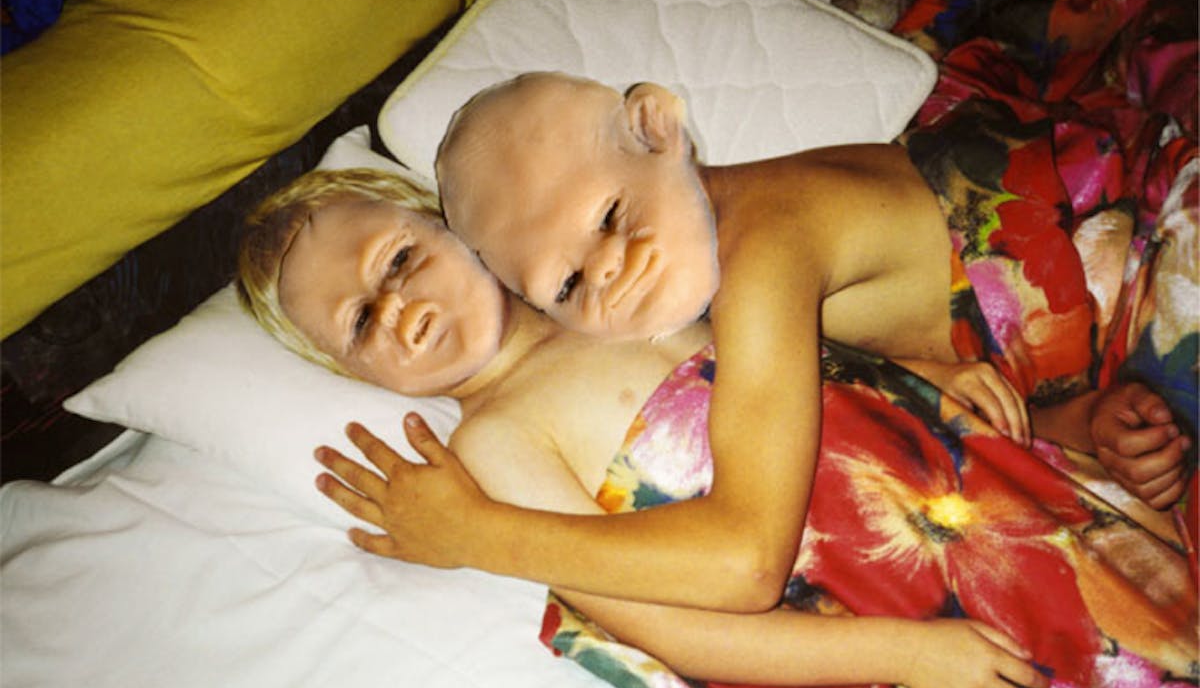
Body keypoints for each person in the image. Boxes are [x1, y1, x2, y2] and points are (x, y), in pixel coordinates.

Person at [236, 167, 1195, 688]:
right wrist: (907, 653)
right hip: (900, 614)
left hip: (988, 507)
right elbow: (675, 629)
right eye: (361, 323)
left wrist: (1039, 416)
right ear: (355, 374)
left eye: (400, 261)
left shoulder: (618, 294)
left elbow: (824, 384)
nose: (399, 308)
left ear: (452, 226)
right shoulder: (498, 441)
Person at [316, 72, 1193, 618]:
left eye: (611, 217)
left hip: (1131, 238)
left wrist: (478, 533)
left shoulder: (760, 250)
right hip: (1078, 353)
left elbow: (747, 559)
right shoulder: (699, 289)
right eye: (572, 283)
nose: (612, 270)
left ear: (659, 129)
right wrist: (1078, 420)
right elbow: (901, 389)